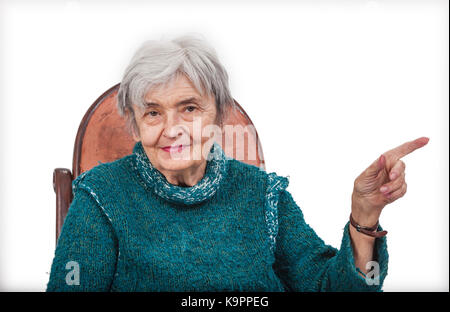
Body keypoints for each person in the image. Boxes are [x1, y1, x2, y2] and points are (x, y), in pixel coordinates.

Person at [47, 34, 429, 291]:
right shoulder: (101, 196)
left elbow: (328, 286)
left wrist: (363, 218)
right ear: (134, 124)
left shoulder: (262, 194)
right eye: (152, 114)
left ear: (219, 116)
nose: (172, 129)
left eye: (190, 108)